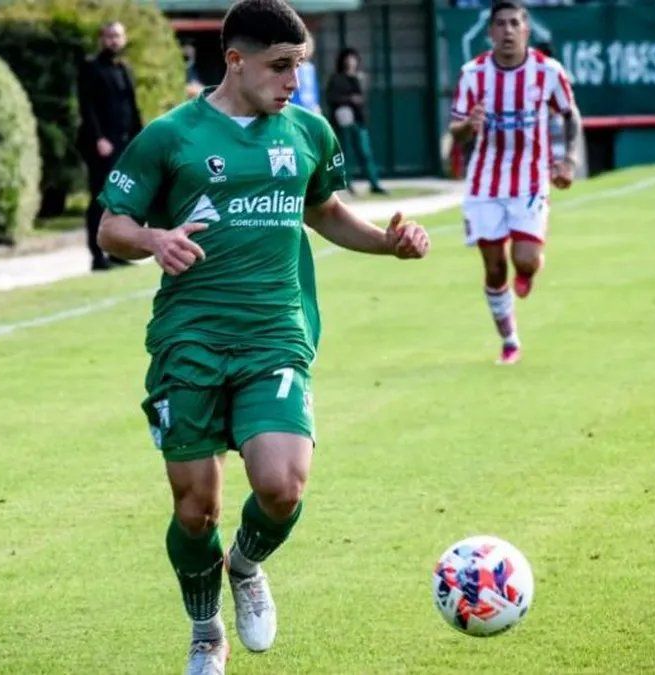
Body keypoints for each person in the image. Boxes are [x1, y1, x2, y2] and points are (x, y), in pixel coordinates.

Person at [96, 1, 429, 672]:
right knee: (196, 510)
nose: (292, 82)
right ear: (236, 61)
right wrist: (154, 239)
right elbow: (111, 227)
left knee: (281, 486)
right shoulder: (171, 136)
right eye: (280, 66)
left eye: (298, 66)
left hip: (276, 332)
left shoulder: (307, 132)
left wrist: (387, 243)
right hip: (189, 341)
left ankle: (245, 564)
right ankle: (205, 630)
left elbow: (323, 210)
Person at [448, 0, 581, 365]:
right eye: (501, 24)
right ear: (490, 32)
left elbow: (570, 115)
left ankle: (528, 271)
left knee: (526, 260)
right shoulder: (473, 74)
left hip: (530, 179)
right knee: (494, 269)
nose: (507, 31)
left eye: (514, 24)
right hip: (484, 183)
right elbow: (455, 130)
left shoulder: (548, 71)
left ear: (527, 30)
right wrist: (468, 126)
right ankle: (509, 340)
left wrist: (569, 161)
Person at [77, 20, 143, 271]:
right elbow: (87, 106)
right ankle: (97, 255)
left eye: (118, 36)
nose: (114, 41)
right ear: (101, 39)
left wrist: (142, 139)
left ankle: (118, 250)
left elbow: (133, 107)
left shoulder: (124, 69)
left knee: (122, 199)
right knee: (100, 198)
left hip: (125, 143)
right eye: (109, 36)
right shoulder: (91, 68)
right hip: (102, 145)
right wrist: (98, 138)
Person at [325, 47, 387, 195]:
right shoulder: (336, 79)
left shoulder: (360, 78)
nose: (351, 62)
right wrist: (349, 99)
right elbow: (332, 98)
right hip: (344, 120)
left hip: (359, 120)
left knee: (365, 152)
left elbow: (364, 97)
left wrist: (359, 82)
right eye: (348, 59)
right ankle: (346, 183)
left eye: (353, 59)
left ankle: (374, 183)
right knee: (345, 153)